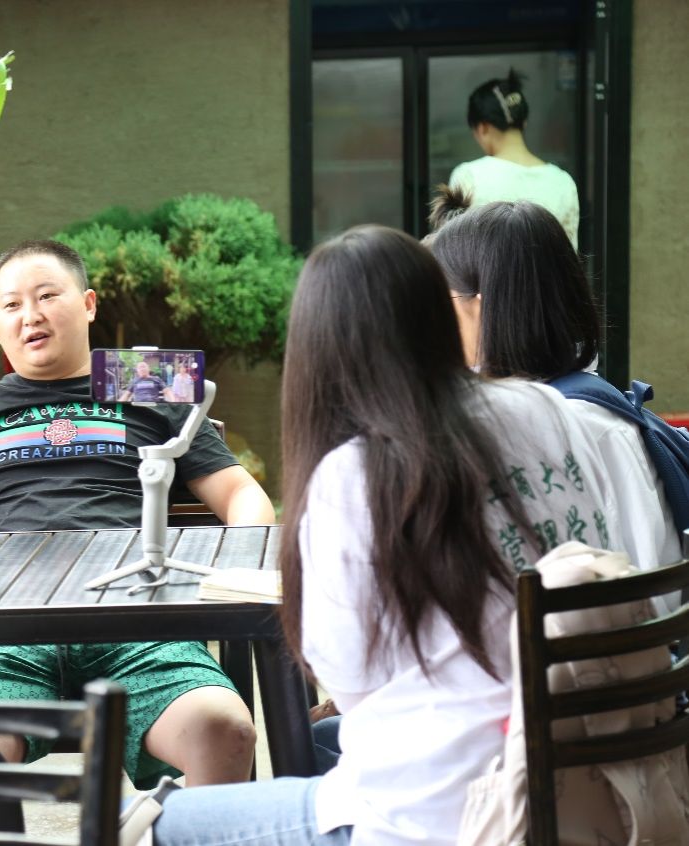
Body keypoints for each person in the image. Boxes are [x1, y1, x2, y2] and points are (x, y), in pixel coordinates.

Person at [147, 225, 620, 846]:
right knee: (315, 746)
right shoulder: (548, 409)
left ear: (319, 350)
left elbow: (346, 678)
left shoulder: (355, 473)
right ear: (439, 313)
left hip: (441, 812)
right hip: (581, 779)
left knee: (162, 822)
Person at [0, 239, 274, 831]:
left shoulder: (144, 380)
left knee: (227, 728)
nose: (29, 315)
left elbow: (239, 493)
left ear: (87, 304)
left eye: (47, 296)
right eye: (11, 305)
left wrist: (245, 558)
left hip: (139, 623)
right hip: (5, 629)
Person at [428, 194, 680, 584]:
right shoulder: (541, 410)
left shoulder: (584, 423)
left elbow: (646, 591)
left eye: (442, 302)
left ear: (482, 306)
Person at [449, 69, 580, 248]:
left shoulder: (469, 177)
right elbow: (569, 255)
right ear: (524, 122)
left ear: (482, 128)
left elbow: (453, 252)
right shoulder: (563, 182)